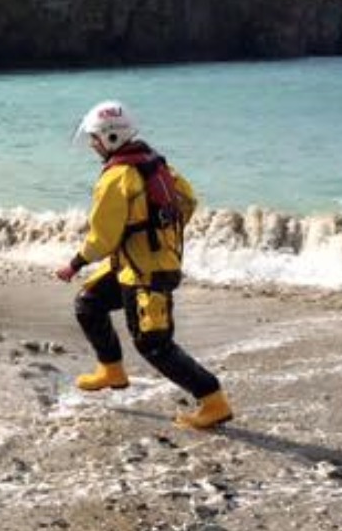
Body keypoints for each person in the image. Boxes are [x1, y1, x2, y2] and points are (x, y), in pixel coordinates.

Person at [54, 100, 233, 430]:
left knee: (154, 345)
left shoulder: (116, 177)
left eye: (94, 138)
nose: (92, 145)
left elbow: (102, 237)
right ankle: (112, 370)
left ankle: (213, 401)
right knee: (89, 304)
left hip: (146, 272)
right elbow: (188, 202)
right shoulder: (156, 163)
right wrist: (158, 231)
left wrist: (74, 264)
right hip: (135, 264)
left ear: (110, 138)